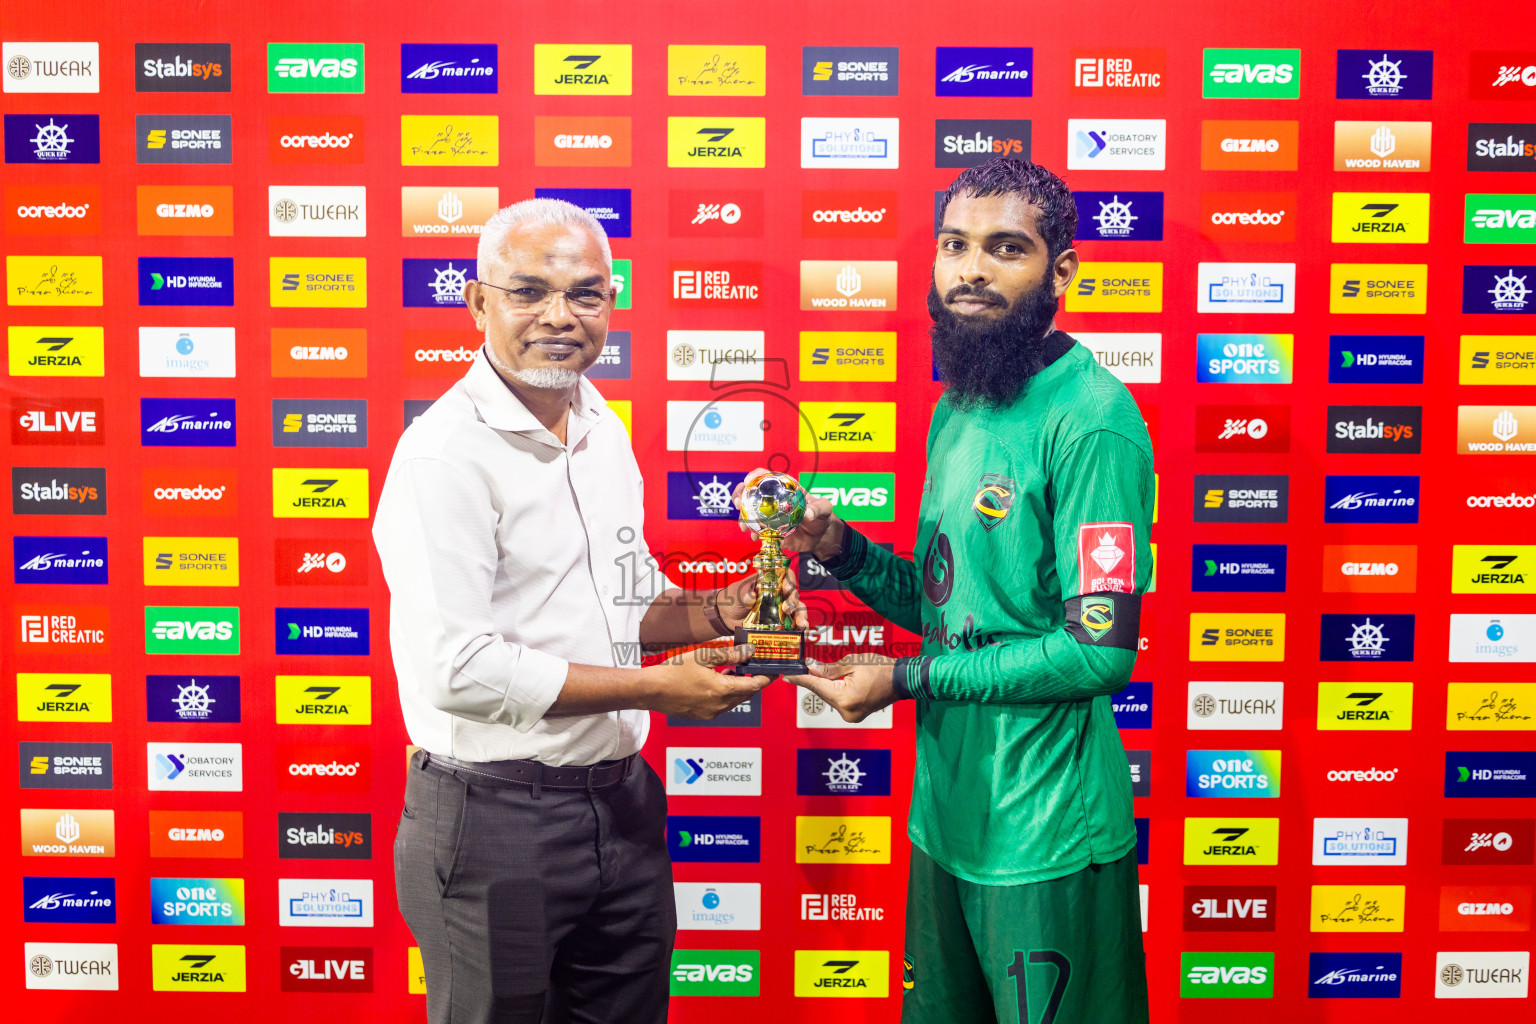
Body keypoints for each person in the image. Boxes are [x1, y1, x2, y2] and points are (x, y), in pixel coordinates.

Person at [374, 197, 802, 1024]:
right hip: (494, 818)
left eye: (586, 294)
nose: (560, 317)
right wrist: (654, 691)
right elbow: (457, 671)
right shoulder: (442, 455)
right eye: (529, 292)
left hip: (623, 808)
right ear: (477, 303)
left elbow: (623, 599)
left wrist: (729, 609)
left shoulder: (602, 426)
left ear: (612, 302)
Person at [762, 158, 1154, 1022]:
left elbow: (1100, 648)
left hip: (1048, 838)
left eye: (1006, 248)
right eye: (954, 245)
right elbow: (950, 611)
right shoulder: (962, 403)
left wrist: (907, 681)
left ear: (1061, 272)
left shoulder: (1093, 420)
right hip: (947, 820)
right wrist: (841, 550)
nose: (970, 270)